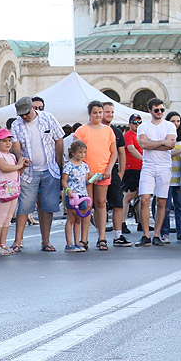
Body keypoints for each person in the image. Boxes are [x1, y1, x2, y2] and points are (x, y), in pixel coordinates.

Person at [9, 96, 63, 253]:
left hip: (50, 168)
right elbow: (16, 146)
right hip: (29, 172)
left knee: (47, 207)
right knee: (24, 206)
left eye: (26, 113)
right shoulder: (16, 124)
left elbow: (59, 140)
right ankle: (18, 241)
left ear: (33, 108)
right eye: (21, 114)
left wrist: (59, 163)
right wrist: (20, 159)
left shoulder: (48, 118)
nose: (24, 116)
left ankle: (46, 241)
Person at [74, 101, 117, 250]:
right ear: (89, 114)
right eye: (95, 112)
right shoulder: (81, 131)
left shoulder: (108, 131)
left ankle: (102, 237)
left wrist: (109, 169)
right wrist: (84, 171)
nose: (98, 115)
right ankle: (84, 239)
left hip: (103, 173)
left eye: (100, 112)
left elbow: (114, 153)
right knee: (87, 205)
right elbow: (75, 153)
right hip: (86, 174)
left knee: (101, 203)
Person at [136, 98, 175, 246]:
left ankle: (157, 234)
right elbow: (143, 144)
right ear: (150, 111)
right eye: (156, 110)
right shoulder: (143, 126)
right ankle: (146, 234)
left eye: (161, 110)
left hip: (164, 165)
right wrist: (162, 142)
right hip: (148, 165)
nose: (159, 112)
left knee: (162, 200)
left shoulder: (169, 125)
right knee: (144, 198)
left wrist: (153, 144)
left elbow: (170, 145)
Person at [0, 128, 28, 255]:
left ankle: (2, 244)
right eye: (4, 141)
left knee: (7, 219)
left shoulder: (11, 156)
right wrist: (19, 165)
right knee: (0, 218)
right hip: (2, 189)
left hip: (12, 189)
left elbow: (16, 172)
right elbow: (5, 168)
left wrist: (22, 166)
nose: (8, 143)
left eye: (9, 140)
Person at [160, 111, 181, 242]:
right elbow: (167, 153)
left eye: (178, 121)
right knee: (166, 207)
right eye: (173, 121)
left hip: (180, 177)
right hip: (167, 176)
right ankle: (164, 233)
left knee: (180, 206)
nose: (176, 124)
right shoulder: (164, 136)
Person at [101, 103, 130, 247]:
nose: (110, 115)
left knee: (118, 203)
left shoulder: (117, 132)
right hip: (97, 172)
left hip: (113, 173)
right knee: (98, 205)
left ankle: (118, 235)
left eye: (112, 112)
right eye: (107, 112)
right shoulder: (95, 129)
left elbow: (122, 153)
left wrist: (121, 172)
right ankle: (98, 237)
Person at [61, 139, 91, 253]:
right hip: (73, 196)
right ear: (73, 153)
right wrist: (68, 190)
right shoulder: (69, 166)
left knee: (79, 219)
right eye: (80, 152)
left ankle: (77, 242)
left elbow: (86, 181)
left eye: (84, 152)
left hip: (83, 195)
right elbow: (64, 181)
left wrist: (93, 179)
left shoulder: (85, 166)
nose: (82, 155)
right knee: (71, 218)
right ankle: (69, 243)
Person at [121, 114, 144, 235]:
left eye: (139, 122)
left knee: (140, 196)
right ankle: (122, 222)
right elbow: (131, 149)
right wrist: (144, 159)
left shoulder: (141, 135)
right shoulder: (128, 135)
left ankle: (141, 222)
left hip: (141, 168)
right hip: (132, 168)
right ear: (130, 124)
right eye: (134, 122)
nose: (137, 124)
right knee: (129, 196)